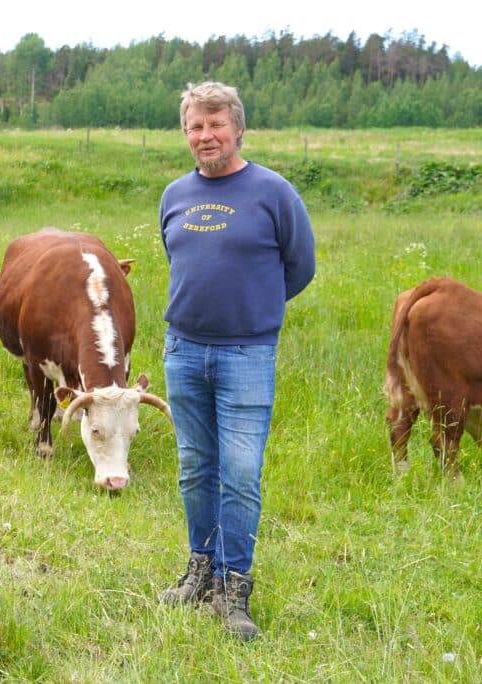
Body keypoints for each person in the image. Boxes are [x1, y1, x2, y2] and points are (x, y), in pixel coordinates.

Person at [157, 81, 316, 641]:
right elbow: (178, 256)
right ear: (186, 133)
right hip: (182, 351)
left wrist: (253, 311)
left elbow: (300, 268)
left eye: (215, 124)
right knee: (195, 468)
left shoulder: (274, 193)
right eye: (195, 126)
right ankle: (200, 570)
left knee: (241, 475)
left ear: (238, 127)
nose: (206, 135)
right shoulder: (174, 195)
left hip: (247, 354)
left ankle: (233, 587)